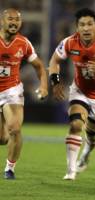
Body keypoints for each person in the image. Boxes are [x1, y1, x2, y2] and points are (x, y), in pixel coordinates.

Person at [48, 8, 95, 180]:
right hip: (80, 91)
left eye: (89, 24)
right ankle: (71, 170)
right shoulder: (70, 42)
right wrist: (55, 82)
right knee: (76, 125)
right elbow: (54, 60)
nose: (86, 28)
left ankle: (87, 152)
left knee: (92, 136)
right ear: (77, 27)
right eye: (82, 25)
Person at [0, 8, 48, 179]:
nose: (14, 22)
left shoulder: (23, 43)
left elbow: (39, 66)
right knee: (2, 138)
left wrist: (43, 86)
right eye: (10, 19)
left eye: (17, 19)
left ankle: (9, 168)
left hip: (11, 90)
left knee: (15, 128)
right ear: (2, 21)